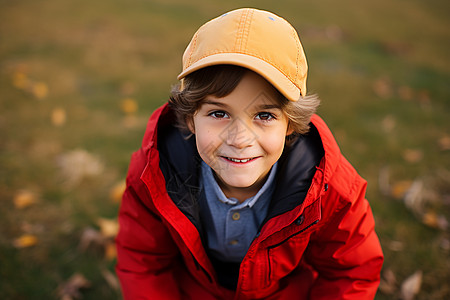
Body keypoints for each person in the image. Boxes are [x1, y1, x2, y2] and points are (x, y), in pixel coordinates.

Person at [115, 8, 384, 300]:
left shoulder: (330, 189)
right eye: (219, 113)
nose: (240, 139)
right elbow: (143, 260)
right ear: (191, 118)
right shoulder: (154, 172)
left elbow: (351, 272)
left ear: (290, 123)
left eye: (265, 116)